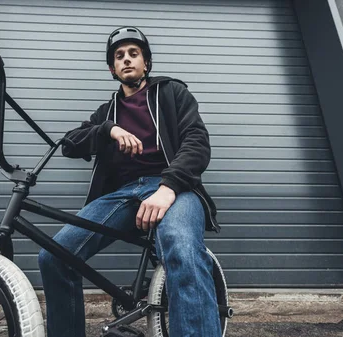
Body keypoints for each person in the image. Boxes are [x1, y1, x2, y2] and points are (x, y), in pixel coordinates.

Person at [38, 26, 222, 337]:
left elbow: (197, 142)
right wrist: (107, 129)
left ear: (146, 63)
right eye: (119, 56)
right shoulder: (106, 111)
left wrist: (168, 188)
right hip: (124, 195)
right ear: (112, 68)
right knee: (54, 256)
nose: (126, 60)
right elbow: (70, 143)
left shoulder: (172, 94)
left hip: (174, 188)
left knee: (182, 249)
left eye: (133, 54)